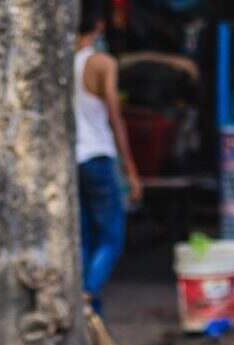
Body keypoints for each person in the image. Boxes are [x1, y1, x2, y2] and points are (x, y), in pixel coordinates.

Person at [74, 0, 142, 314]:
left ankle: (90, 312)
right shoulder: (103, 64)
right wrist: (130, 169)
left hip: (74, 160)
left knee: (86, 238)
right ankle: (87, 295)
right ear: (99, 25)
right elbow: (115, 118)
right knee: (112, 237)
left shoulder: (62, 63)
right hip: (99, 156)